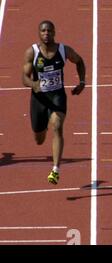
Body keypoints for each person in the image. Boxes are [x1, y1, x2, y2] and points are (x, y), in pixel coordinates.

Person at [22, 20, 86, 185]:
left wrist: (82, 82)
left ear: (54, 32)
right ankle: (40, 133)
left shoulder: (64, 50)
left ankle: (56, 169)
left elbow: (79, 61)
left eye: (49, 31)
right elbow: (24, 77)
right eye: (43, 31)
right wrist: (33, 84)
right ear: (39, 33)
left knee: (57, 126)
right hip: (39, 100)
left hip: (57, 97)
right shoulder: (32, 52)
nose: (46, 34)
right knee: (39, 139)